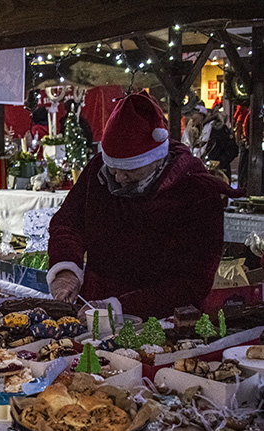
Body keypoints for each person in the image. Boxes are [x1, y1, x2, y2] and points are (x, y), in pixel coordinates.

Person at [47, 93, 240, 319]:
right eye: (112, 169)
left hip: (162, 321)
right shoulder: (98, 170)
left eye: (129, 171)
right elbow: (68, 223)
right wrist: (66, 269)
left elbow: (193, 282)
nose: (118, 177)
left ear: (155, 159)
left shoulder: (196, 192)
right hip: (91, 314)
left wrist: (120, 307)